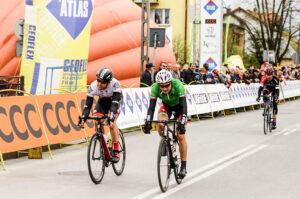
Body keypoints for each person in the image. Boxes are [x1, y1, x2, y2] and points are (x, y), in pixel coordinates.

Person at [143, 70, 188, 179]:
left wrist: (182, 123)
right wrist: (148, 121)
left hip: (179, 108)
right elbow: (151, 107)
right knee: (161, 124)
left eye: (167, 85)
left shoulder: (178, 85)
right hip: (166, 107)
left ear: (171, 82)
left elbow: (184, 106)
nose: (164, 88)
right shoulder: (155, 88)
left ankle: (183, 166)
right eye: (161, 86)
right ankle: (165, 142)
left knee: (181, 136)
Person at [78, 68, 122, 163]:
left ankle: (116, 150)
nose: (99, 83)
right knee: (97, 120)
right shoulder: (93, 86)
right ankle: (104, 141)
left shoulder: (115, 84)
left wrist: (111, 118)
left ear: (108, 82)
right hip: (102, 102)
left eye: (102, 82)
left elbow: (114, 104)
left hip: (114, 101)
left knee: (111, 123)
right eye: (98, 80)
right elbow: (87, 105)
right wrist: (83, 119)